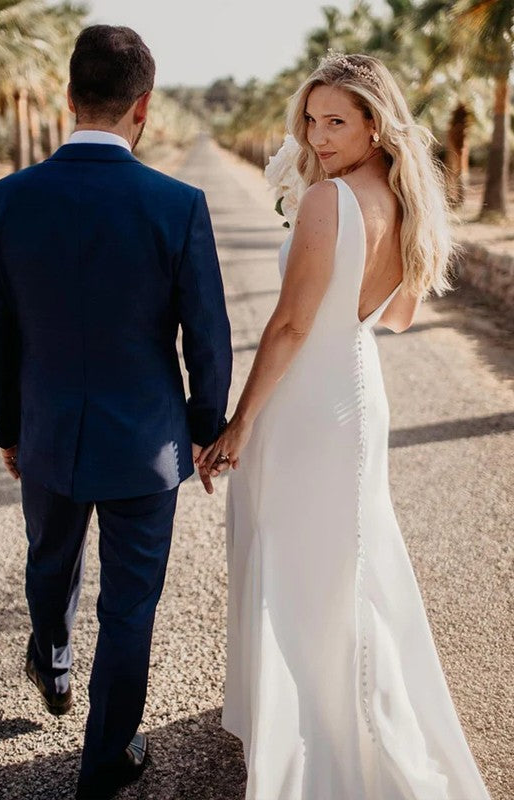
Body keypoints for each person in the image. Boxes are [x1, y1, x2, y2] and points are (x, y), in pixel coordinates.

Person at [198, 52, 491, 799]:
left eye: (337, 122)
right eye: (312, 119)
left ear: (374, 123)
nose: (319, 136)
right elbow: (393, 314)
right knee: (348, 554)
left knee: (297, 553)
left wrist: (239, 422)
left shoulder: (329, 201)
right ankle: (347, 707)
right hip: (359, 388)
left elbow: (292, 325)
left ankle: (312, 732)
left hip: (307, 401)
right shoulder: (406, 197)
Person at [0, 24, 232, 800]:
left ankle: (51, 661)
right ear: (143, 107)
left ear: (68, 98)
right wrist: (202, 428)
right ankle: (106, 760)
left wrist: (9, 430)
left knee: (49, 563)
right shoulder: (178, 204)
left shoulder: (6, 200)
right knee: (131, 604)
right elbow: (208, 336)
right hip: (147, 448)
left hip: (47, 437)